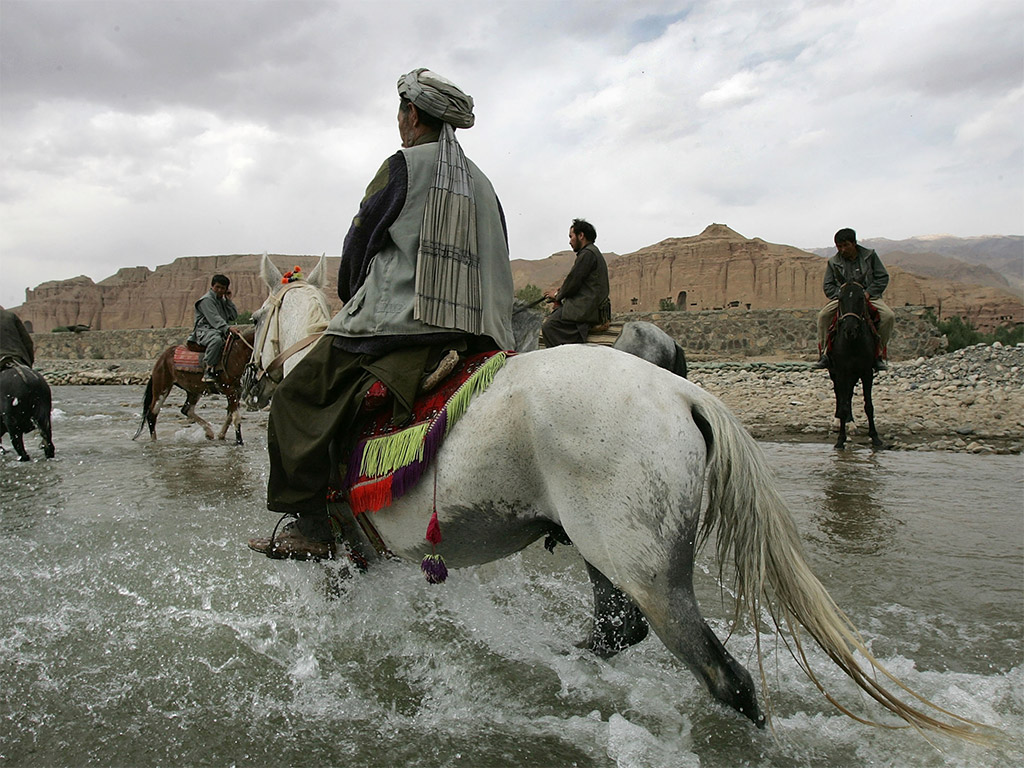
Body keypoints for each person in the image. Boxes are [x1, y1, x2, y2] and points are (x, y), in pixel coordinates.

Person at [248, 68, 515, 561]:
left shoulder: (402, 167)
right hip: (483, 331)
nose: (398, 120)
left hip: (399, 326)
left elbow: (359, 245)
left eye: (400, 111)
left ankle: (312, 527)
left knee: (292, 399)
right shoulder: (483, 182)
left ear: (412, 115)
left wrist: (352, 302)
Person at [813, 228, 895, 371]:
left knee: (888, 316)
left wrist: (869, 292)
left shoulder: (870, 256)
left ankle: (878, 354)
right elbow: (828, 286)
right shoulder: (833, 262)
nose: (842, 250)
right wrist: (842, 295)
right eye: (839, 246)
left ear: (854, 243)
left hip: (868, 296)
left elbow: (882, 277)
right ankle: (825, 354)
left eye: (846, 245)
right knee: (823, 316)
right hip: (843, 298)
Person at [541, 218, 610, 347]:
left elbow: (573, 283)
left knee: (549, 327)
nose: (570, 241)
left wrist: (556, 295)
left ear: (581, 235)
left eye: (571, 236)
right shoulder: (592, 252)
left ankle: (562, 362)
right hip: (590, 303)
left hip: (585, 306)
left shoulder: (587, 254)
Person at [187, 274, 238, 382]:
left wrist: (228, 300)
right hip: (205, 331)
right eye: (217, 287)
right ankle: (208, 369)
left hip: (219, 330)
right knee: (216, 340)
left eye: (222, 288)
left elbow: (233, 316)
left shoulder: (223, 302)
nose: (219, 290)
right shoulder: (206, 300)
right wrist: (228, 329)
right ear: (212, 286)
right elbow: (214, 318)